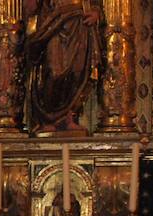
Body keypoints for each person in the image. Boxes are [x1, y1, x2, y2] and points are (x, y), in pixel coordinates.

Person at [25, 0, 101, 133]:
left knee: (77, 72)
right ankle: (48, 118)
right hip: (53, 20)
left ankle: (70, 117)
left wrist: (96, 11)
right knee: (55, 71)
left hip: (79, 21)